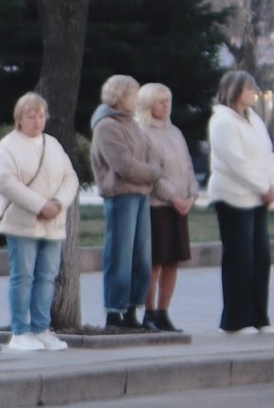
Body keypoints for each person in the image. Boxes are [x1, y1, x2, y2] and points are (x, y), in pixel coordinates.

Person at [0, 92, 78, 352]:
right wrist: (39, 206)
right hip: (23, 222)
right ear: (20, 119)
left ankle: (41, 328)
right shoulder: (8, 146)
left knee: (47, 276)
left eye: (41, 115)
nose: (38, 120)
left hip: (53, 223)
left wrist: (58, 203)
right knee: (23, 276)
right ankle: (20, 330)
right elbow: (6, 182)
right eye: (32, 116)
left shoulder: (53, 144)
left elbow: (70, 177)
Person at [92, 74, 161, 330]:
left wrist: (151, 171)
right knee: (120, 254)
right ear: (120, 97)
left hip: (141, 194)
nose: (137, 99)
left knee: (141, 256)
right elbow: (124, 165)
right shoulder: (107, 126)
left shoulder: (133, 124)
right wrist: (153, 173)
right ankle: (114, 311)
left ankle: (133, 309)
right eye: (133, 94)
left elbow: (152, 154)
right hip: (121, 195)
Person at [208, 69, 274, 333]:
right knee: (240, 258)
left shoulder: (254, 120)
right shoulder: (223, 121)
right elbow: (235, 162)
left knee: (261, 256)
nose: (254, 93)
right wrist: (262, 185)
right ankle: (236, 319)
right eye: (249, 88)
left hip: (257, 198)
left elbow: (266, 153)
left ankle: (259, 316)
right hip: (233, 197)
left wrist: (270, 185)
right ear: (235, 91)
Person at [138, 82, 197, 333]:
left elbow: (187, 164)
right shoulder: (143, 132)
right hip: (158, 206)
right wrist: (174, 197)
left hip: (180, 206)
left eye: (168, 100)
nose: (166, 105)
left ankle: (164, 312)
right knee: (156, 261)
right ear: (149, 103)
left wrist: (191, 194)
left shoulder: (175, 132)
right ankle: (149, 312)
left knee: (173, 260)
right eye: (161, 100)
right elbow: (154, 174)